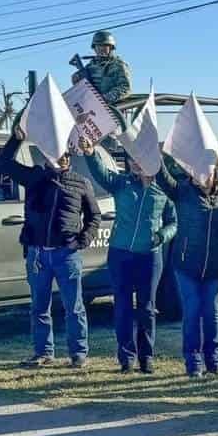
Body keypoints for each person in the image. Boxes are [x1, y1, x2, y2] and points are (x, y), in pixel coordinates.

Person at [0, 125, 101, 369]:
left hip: (67, 254)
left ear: (69, 158)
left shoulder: (81, 183)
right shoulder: (34, 177)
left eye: (64, 155)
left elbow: (94, 216)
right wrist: (16, 139)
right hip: (37, 254)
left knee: (74, 308)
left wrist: (83, 240)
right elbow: (3, 164)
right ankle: (43, 352)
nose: (60, 159)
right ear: (46, 155)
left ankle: (78, 354)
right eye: (55, 155)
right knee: (39, 307)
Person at [79, 136, 176, 375]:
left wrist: (162, 235)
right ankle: (126, 357)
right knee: (122, 306)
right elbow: (101, 173)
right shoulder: (121, 183)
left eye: (141, 159)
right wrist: (91, 153)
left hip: (150, 257)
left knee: (146, 308)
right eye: (132, 159)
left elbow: (174, 222)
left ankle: (146, 357)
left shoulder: (164, 189)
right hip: (120, 254)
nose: (136, 163)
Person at [156, 156, 218, 378]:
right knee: (192, 313)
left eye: (208, 173)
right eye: (199, 172)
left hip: (214, 269)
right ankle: (193, 363)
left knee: (212, 314)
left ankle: (214, 361)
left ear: (214, 176)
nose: (204, 177)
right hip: (187, 266)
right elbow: (163, 178)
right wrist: (154, 154)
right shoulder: (182, 192)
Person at [72, 30, 131, 105]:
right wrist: (76, 79)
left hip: (112, 107)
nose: (101, 49)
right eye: (98, 46)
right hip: (91, 105)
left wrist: (104, 99)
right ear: (94, 48)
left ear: (111, 48)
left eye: (104, 46)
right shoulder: (90, 66)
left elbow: (125, 88)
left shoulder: (118, 65)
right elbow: (82, 88)